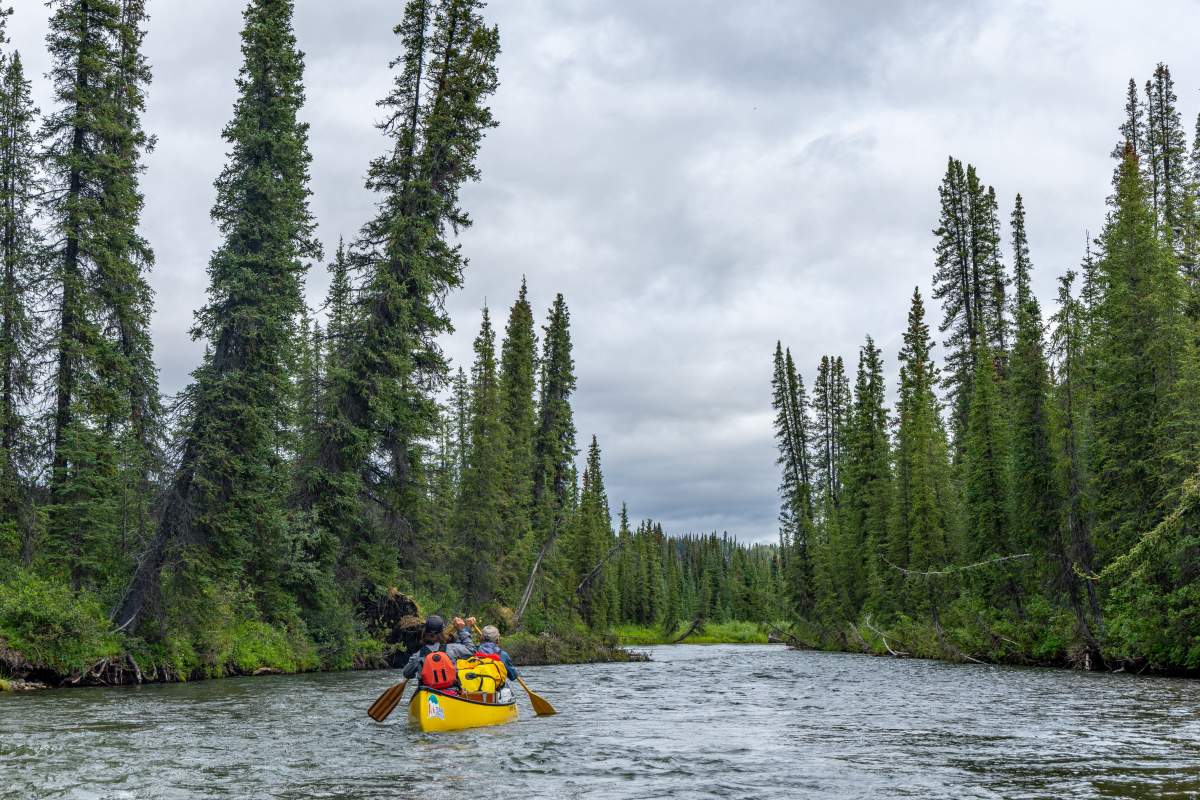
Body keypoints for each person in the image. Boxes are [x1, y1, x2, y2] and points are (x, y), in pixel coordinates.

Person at [401, 614, 476, 683]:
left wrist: (415, 673)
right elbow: (471, 650)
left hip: (427, 692)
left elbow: (406, 673)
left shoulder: (418, 656)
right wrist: (461, 630)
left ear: (425, 632)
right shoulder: (452, 649)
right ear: (442, 633)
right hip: (450, 691)